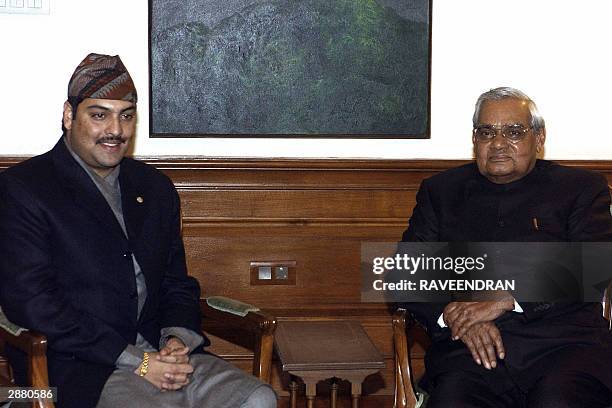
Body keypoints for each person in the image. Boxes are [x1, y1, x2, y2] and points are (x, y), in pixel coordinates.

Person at [0, 53, 277, 408]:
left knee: (258, 397)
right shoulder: (25, 189)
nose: (115, 130)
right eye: (99, 115)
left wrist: (177, 339)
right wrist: (138, 362)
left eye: (126, 116)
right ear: (69, 116)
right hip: (78, 368)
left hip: (164, 354)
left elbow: (176, 284)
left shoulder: (155, 187)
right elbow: (34, 304)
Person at [400, 87, 612, 407]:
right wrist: (455, 316)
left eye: (514, 132)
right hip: (468, 354)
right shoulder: (441, 191)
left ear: (538, 139)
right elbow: (404, 275)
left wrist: (505, 301)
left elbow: (595, 265)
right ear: (475, 141)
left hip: (562, 350)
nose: (498, 143)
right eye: (486, 132)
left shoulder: (580, 188)